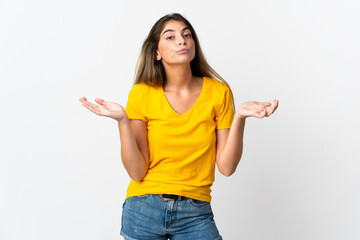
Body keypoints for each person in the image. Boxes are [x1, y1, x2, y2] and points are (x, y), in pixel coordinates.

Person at [79, 12, 278, 240]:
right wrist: (122, 121)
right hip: (144, 208)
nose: (182, 40)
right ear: (156, 52)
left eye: (187, 35)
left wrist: (240, 117)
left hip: (195, 211)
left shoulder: (218, 92)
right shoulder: (142, 93)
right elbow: (137, 171)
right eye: (170, 37)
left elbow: (227, 167)